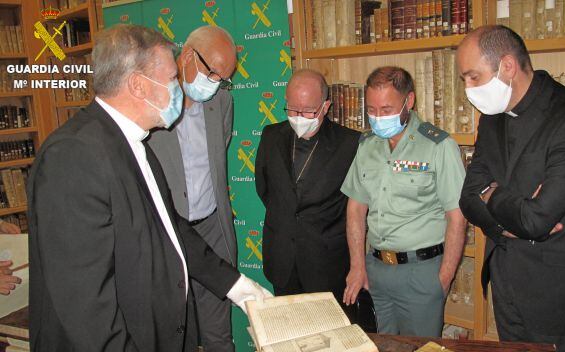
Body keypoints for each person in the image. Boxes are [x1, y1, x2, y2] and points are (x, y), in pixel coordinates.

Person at [27, 24, 271, 352]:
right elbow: (86, 307)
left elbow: (172, 229)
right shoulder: (72, 156)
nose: (178, 89)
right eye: (172, 78)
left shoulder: (136, 144)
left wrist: (240, 288)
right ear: (139, 86)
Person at [457, 25, 565, 351]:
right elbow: (468, 196)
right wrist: (506, 222)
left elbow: (536, 220)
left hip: (558, 293)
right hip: (505, 282)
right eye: (464, 80)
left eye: (473, 77)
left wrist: (492, 193)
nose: (468, 89)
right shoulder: (492, 117)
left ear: (508, 67)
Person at [341, 66, 467, 337]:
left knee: (418, 348)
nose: (377, 118)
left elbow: (457, 217)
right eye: (371, 110)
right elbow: (355, 208)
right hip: (376, 270)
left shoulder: (438, 146)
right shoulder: (367, 144)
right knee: (382, 344)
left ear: (408, 101)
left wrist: (442, 280)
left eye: (386, 110)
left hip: (421, 272)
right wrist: (357, 265)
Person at [147, 25, 237, 352]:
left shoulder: (221, 103)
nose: (214, 85)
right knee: (174, 334)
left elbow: (217, 159)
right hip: (167, 235)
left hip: (212, 230)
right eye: (211, 73)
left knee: (218, 334)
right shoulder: (151, 105)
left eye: (222, 79)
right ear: (186, 55)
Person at [255, 69, 360, 310]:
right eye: (292, 109)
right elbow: (265, 189)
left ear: (325, 106)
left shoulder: (350, 144)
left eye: (308, 111)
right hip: (282, 260)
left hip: (326, 264)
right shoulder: (270, 136)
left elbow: (353, 206)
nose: (299, 117)